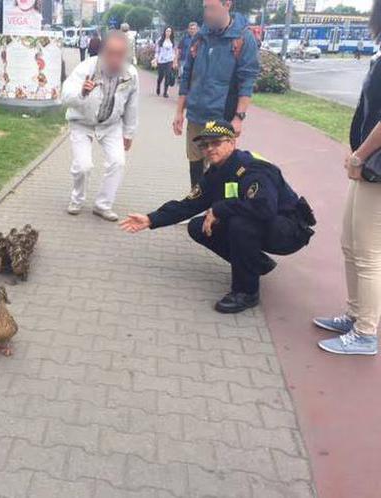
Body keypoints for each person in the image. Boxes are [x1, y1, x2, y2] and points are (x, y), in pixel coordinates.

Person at [120, 120, 314, 313]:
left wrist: (219, 209)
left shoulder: (254, 168)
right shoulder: (216, 171)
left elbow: (263, 208)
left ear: (232, 142)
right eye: (205, 145)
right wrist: (151, 219)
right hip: (263, 222)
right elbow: (189, 204)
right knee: (199, 227)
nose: (210, 149)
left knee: (241, 224)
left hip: (289, 230)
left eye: (216, 143)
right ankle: (256, 263)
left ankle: (246, 292)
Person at [314, 1, 381, 356]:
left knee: (369, 252)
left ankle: (367, 332)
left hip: (375, 165)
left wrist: (360, 153)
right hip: (369, 162)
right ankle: (355, 315)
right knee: (350, 243)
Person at [173, 0, 260, 189]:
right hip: (196, 115)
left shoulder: (243, 38)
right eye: (205, 8)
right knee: (195, 164)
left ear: (227, 4)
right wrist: (179, 112)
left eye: (211, 8)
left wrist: (239, 117)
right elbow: (187, 75)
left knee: (221, 167)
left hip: (221, 118)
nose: (207, 13)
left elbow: (247, 81)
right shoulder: (199, 37)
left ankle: (217, 212)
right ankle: (196, 206)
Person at [62, 30, 139, 222]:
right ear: (103, 52)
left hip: (111, 124)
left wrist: (129, 133)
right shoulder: (85, 68)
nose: (115, 59)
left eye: (120, 54)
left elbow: (132, 105)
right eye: (111, 53)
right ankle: (77, 199)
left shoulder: (130, 74)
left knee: (118, 162)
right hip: (81, 122)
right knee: (83, 166)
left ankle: (102, 205)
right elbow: (65, 96)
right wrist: (81, 93)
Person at [155, 26, 176, 98]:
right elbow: (157, 51)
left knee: (168, 76)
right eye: (167, 31)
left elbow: (173, 52)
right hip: (161, 60)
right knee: (160, 76)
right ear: (164, 32)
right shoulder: (160, 40)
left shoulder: (172, 41)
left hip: (169, 60)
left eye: (170, 31)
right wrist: (156, 59)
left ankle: (165, 92)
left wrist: (174, 61)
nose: (168, 32)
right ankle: (158, 85)